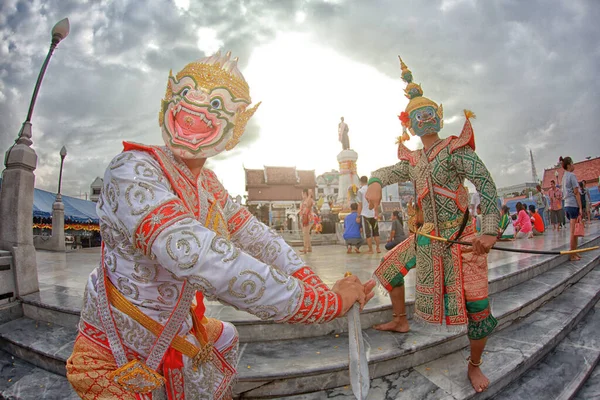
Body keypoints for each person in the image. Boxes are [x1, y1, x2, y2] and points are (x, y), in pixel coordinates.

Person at [65, 51, 375, 400]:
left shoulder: (208, 185)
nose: (197, 112)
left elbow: (259, 240)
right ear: (169, 101)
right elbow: (205, 259)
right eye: (186, 96)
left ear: (234, 131)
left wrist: (319, 286)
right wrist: (324, 304)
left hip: (177, 329)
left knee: (225, 337)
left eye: (216, 105)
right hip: (120, 338)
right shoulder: (132, 170)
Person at [367, 57, 499, 393]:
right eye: (417, 116)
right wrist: (375, 183)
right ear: (410, 126)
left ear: (439, 117)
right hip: (426, 238)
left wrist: (489, 230)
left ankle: (474, 365)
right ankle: (400, 320)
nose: (425, 119)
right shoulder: (412, 160)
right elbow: (385, 172)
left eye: (429, 114)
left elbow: (486, 185)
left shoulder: (455, 150)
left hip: (462, 239)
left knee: (479, 309)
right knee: (388, 271)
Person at [560, 156, 583, 261]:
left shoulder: (564, 177)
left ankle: (575, 251)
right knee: (573, 231)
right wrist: (580, 207)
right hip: (573, 204)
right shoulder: (571, 176)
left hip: (566, 205)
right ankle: (572, 253)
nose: (574, 165)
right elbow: (576, 192)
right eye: (572, 163)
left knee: (575, 231)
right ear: (569, 165)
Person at [357, 175, 381, 253]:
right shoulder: (372, 188)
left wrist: (358, 216)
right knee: (376, 232)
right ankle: (378, 248)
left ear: (360, 182)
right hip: (374, 214)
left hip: (365, 214)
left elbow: (360, 205)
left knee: (368, 233)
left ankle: (370, 249)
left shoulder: (360, 191)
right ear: (367, 181)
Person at [300, 188, 314, 253]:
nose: (302, 195)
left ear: (305, 194)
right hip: (305, 218)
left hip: (309, 218)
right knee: (306, 234)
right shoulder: (303, 201)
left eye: (303, 194)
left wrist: (309, 195)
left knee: (305, 233)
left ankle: (305, 248)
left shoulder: (309, 200)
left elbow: (307, 204)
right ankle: (309, 248)